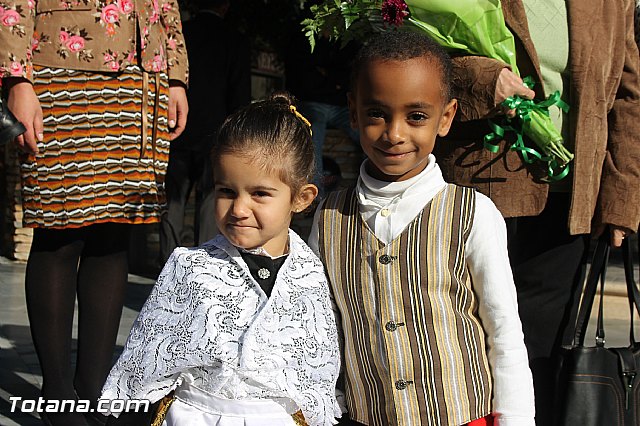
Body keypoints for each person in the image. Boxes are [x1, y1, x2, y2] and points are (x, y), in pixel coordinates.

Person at [309, 31, 534, 426]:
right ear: (354, 112)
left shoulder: (474, 215)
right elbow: (320, 329)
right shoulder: (327, 217)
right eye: (377, 113)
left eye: (416, 116)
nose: (395, 134)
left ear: (445, 117)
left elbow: (504, 332)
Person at [432, 1, 640, 424]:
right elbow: (412, 53)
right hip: (475, 190)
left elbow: (628, 92)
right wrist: (483, 79)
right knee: (463, 351)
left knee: (541, 358)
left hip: (568, 205)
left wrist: (622, 194)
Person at [100, 92, 342, 426]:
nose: (239, 209)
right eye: (226, 191)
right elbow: (147, 366)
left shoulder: (311, 276)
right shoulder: (190, 268)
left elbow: (315, 373)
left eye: (259, 193)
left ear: (301, 198)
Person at [0, 0, 188, 424]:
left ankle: (95, 388)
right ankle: (57, 395)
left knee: (114, 232)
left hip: (143, 80)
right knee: (59, 228)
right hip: (61, 63)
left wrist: (175, 74)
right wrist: (15, 76)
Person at [159, 0, 251, 263]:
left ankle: (168, 266)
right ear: (225, 6)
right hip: (217, 133)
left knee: (172, 205)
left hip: (177, 130)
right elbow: (240, 95)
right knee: (211, 205)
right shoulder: (235, 41)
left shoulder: (180, 35)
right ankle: (205, 266)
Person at [285, 32, 359, 197]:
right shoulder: (306, 39)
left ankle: (377, 185)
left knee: (368, 133)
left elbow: (350, 73)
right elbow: (303, 73)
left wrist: (328, 76)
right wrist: (333, 80)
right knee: (313, 142)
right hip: (314, 102)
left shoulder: (345, 38)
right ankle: (317, 198)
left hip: (340, 105)